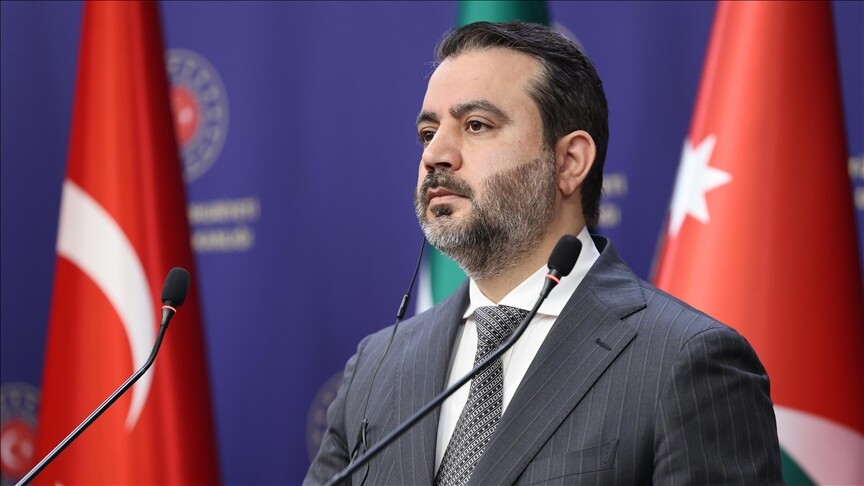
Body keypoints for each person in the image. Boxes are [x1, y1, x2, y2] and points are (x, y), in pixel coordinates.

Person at [305, 21, 782, 485]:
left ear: (569, 161)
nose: (435, 155)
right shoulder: (376, 367)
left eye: (476, 125)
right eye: (429, 133)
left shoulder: (684, 359)